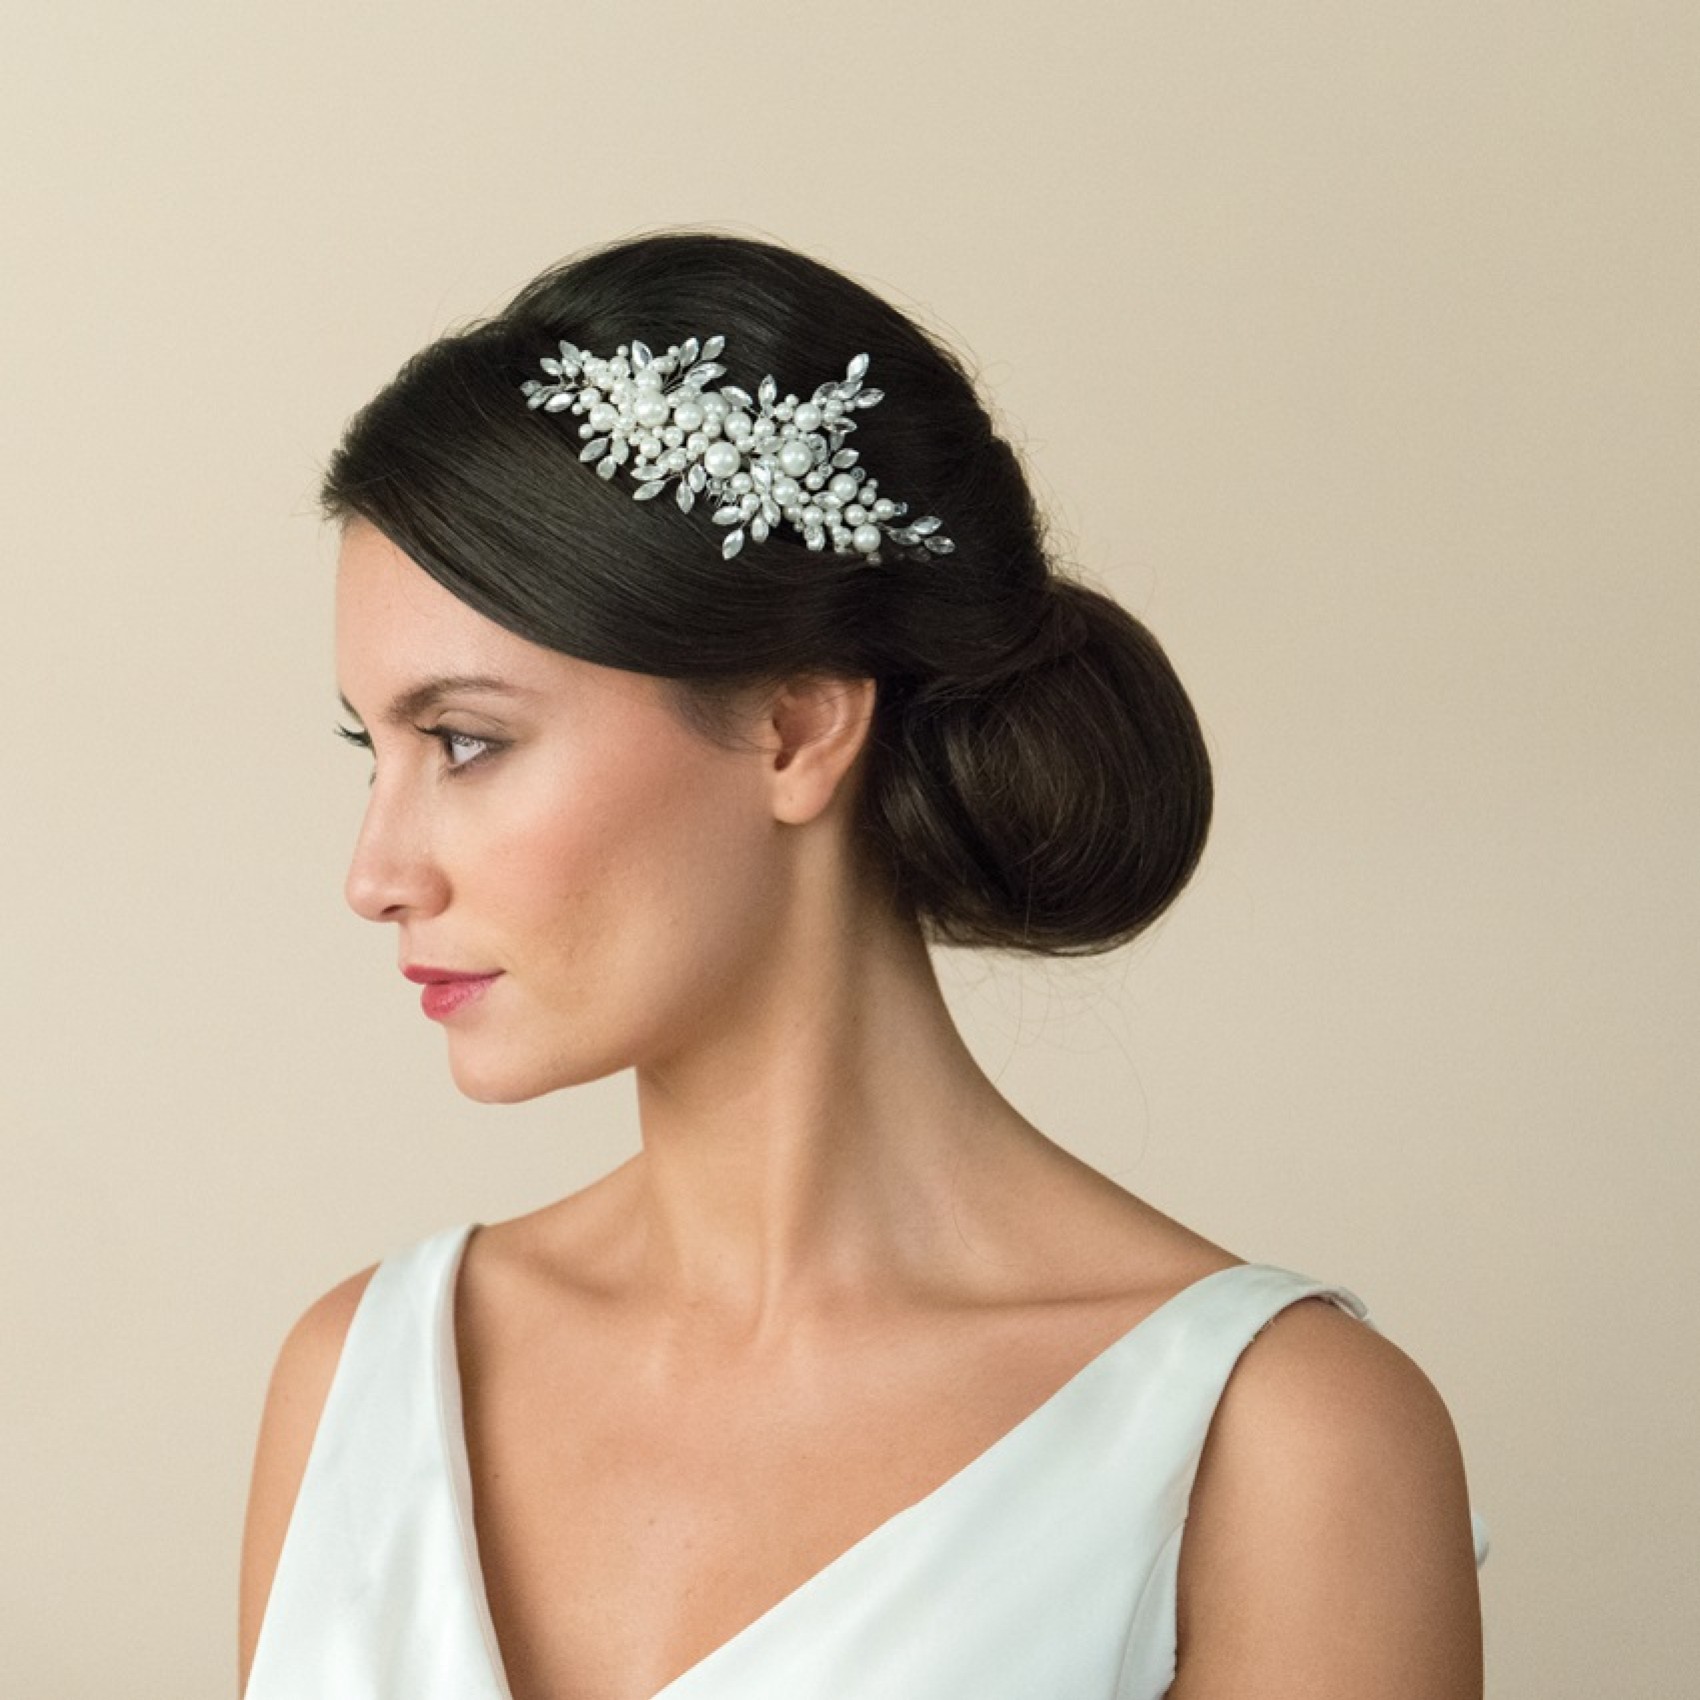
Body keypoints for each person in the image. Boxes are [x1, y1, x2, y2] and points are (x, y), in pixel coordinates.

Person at [236, 229, 1488, 1700]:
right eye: (371, 750)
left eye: (463, 742)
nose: (375, 874)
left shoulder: (1274, 1445)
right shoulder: (361, 1385)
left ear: (796, 731)